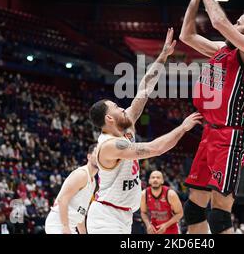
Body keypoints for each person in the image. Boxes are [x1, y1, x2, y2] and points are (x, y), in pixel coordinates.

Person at [179, 0, 244, 234]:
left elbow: (218, 21)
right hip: (210, 132)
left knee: (220, 214)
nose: (233, 24)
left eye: (238, 23)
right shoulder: (222, 49)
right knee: (193, 209)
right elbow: (186, 35)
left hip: (231, 137)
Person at [86, 28, 203, 234]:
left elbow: (145, 89)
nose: (122, 107)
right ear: (109, 118)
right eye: (116, 106)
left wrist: (162, 56)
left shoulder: (126, 123)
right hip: (106, 216)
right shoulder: (111, 145)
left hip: (123, 216)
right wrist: (183, 128)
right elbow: (154, 148)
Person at [45, 145, 98, 234]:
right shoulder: (82, 174)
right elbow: (63, 200)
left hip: (70, 226)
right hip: (58, 224)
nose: (99, 156)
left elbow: (81, 212)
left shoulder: (93, 182)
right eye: (97, 153)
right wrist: (65, 227)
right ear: (88, 156)